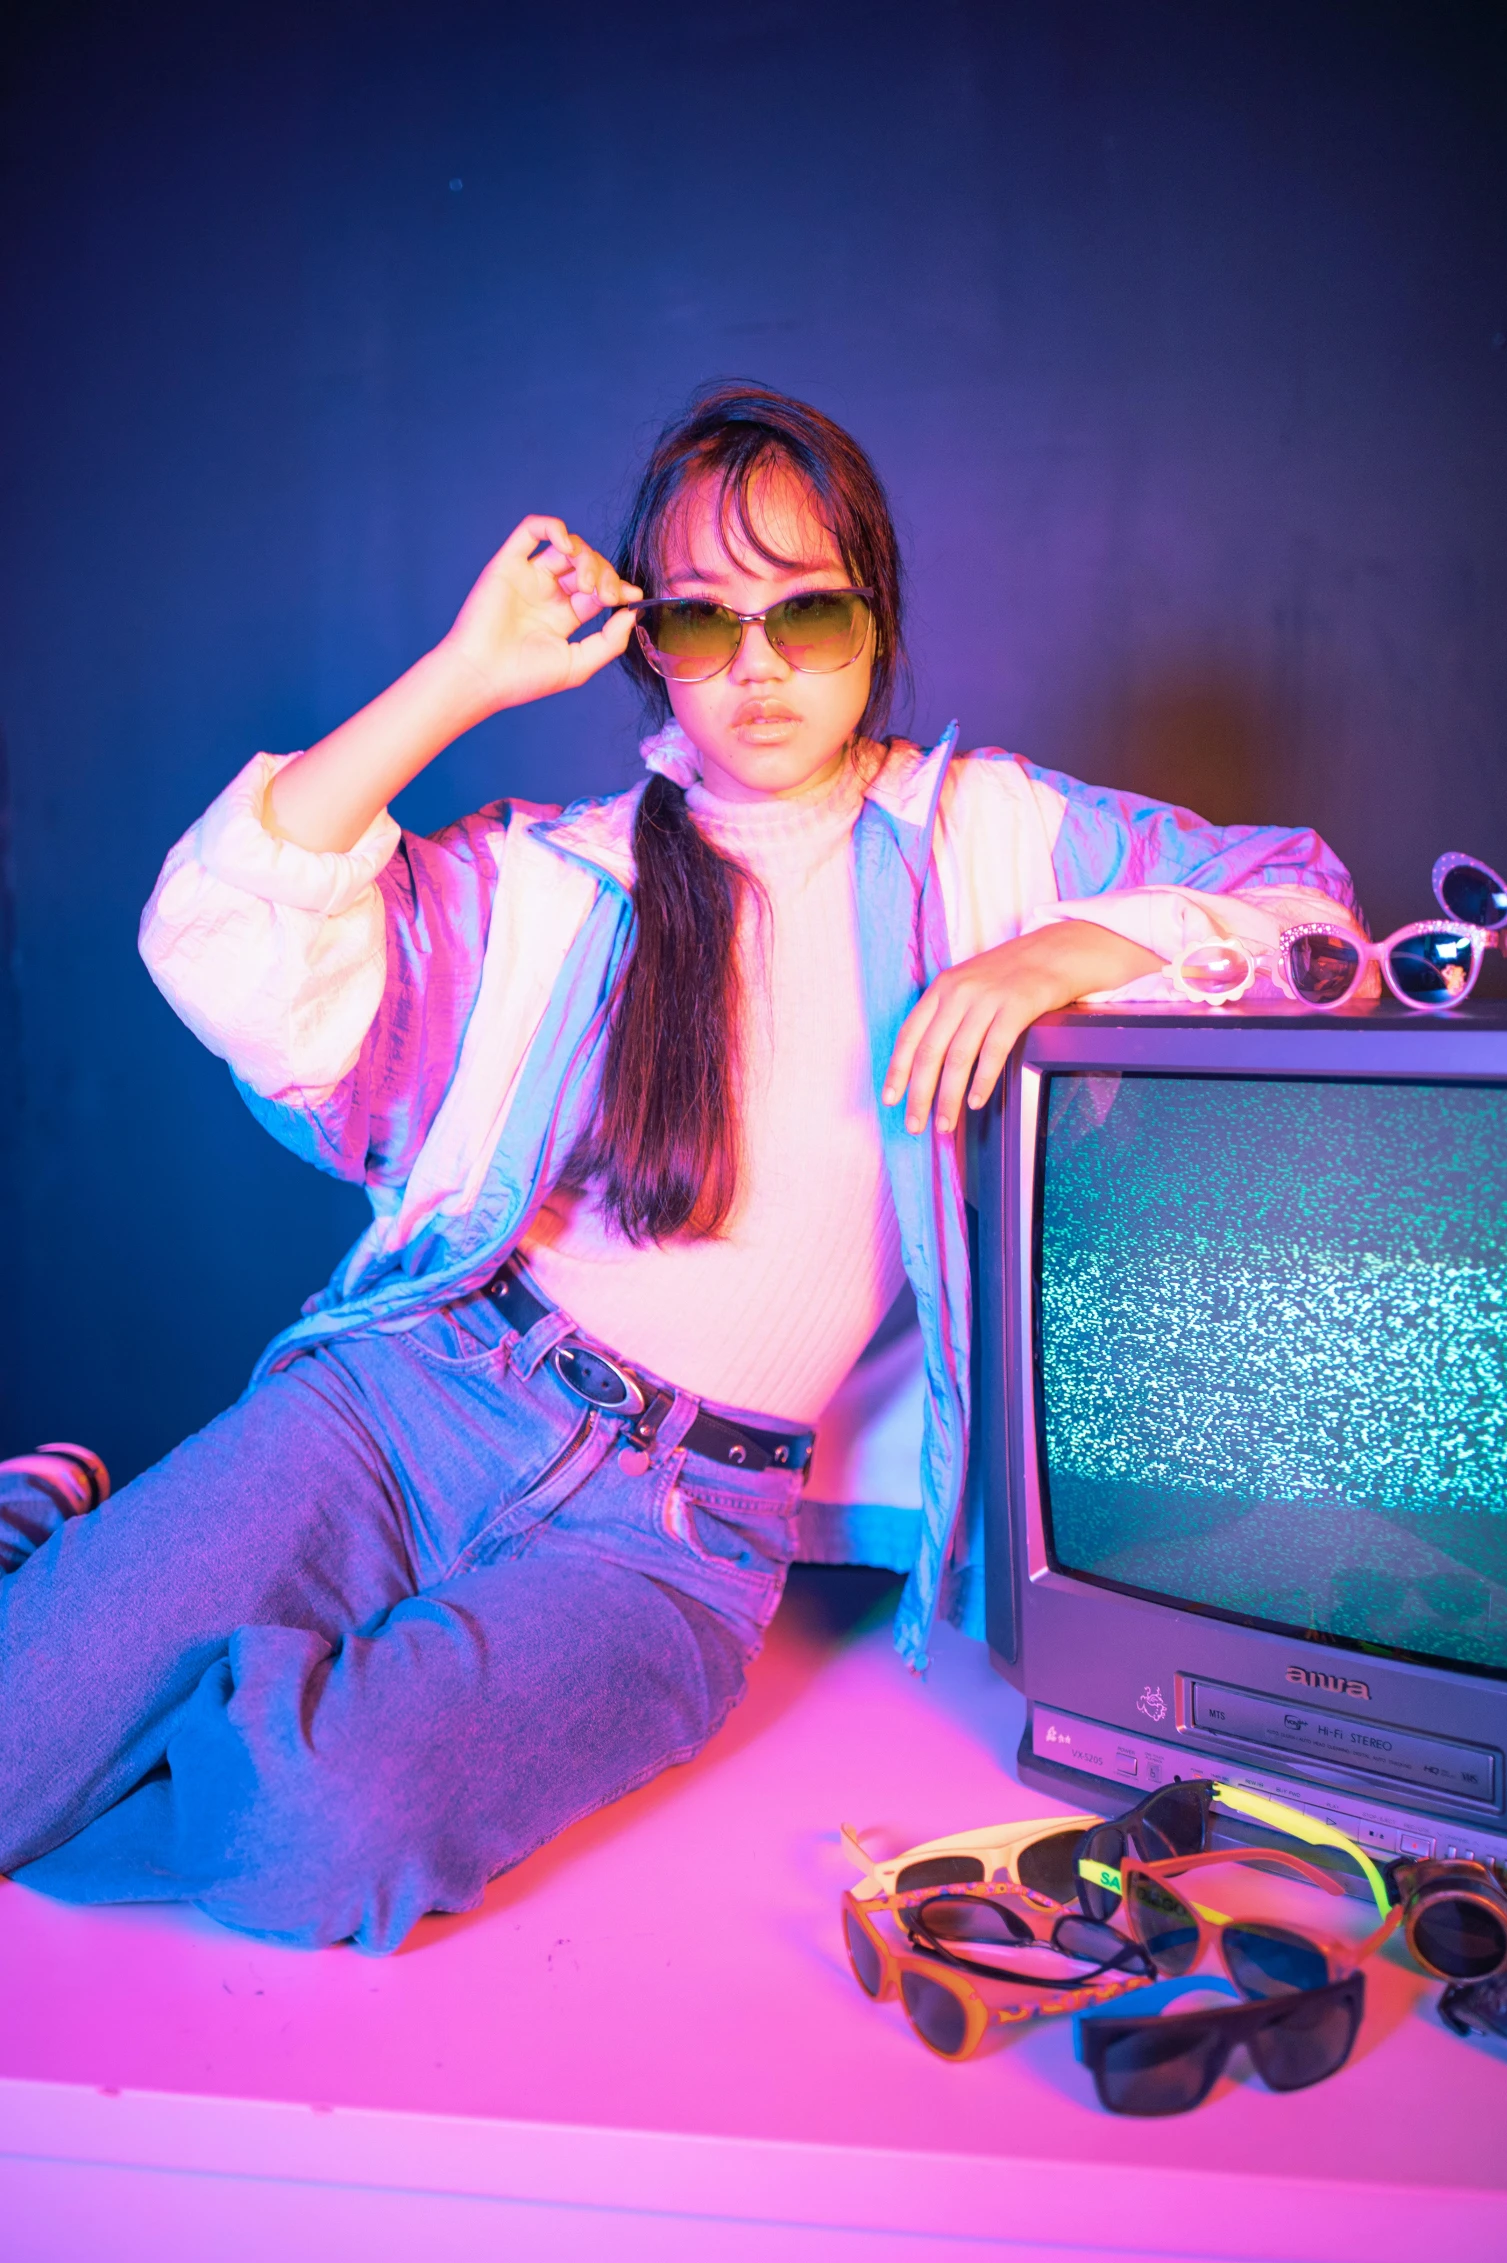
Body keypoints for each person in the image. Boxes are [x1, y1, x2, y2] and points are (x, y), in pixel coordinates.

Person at [0, 386, 1358, 1951]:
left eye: (811, 612)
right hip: (411, 1401)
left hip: (670, 1543)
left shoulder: (991, 845)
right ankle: (86, 1582)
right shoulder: (552, 877)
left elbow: (1305, 911)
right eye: (706, 622)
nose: (761, 666)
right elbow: (217, 942)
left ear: (878, 619)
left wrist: (1064, 947)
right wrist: (460, 678)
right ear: (648, 643)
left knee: (319, 1837)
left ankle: (107, 1608)